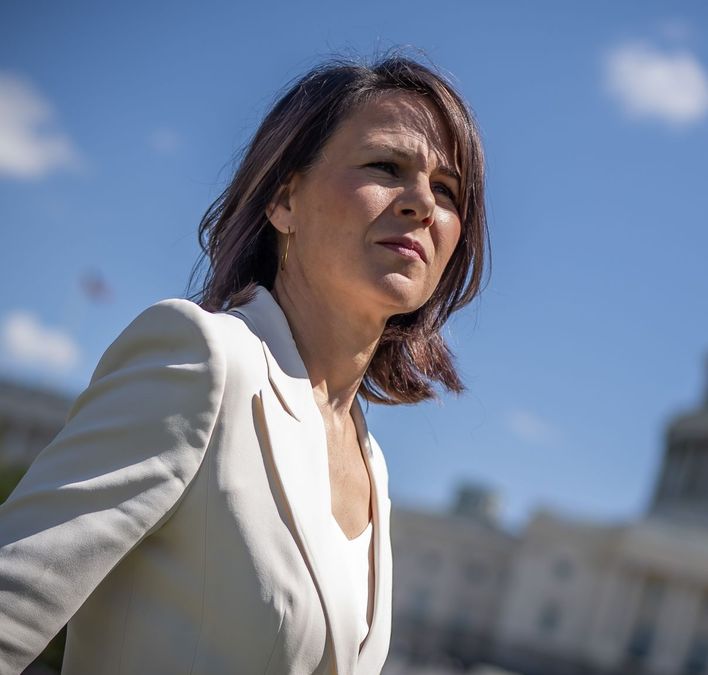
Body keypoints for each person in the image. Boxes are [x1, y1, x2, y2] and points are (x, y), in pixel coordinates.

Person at [0, 51, 488, 675]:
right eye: (386, 166)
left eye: (447, 190)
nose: (421, 202)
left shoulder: (373, 464)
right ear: (285, 201)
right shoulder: (202, 358)